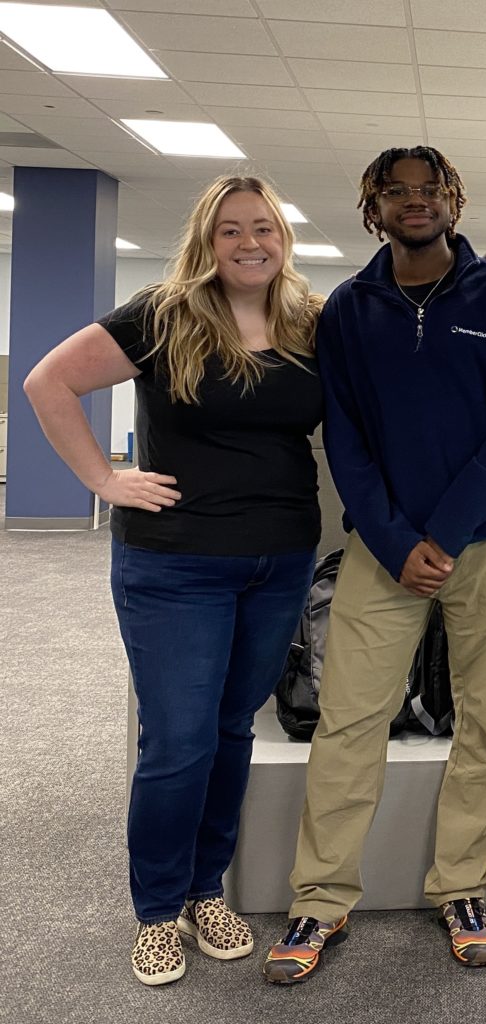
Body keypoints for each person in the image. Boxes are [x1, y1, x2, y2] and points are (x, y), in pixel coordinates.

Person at [261, 146, 486, 984]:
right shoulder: (349, 310)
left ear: (454, 202)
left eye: (430, 191)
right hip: (383, 547)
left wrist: (448, 532)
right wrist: (395, 540)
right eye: (399, 192)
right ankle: (320, 900)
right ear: (374, 206)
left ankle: (461, 888)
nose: (415, 203)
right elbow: (343, 438)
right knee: (349, 717)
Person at [22, 175, 324, 986]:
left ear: (281, 236)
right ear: (208, 237)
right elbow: (47, 382)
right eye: (231, 230)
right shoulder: (164, 313)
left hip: (279, 558)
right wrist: (104, 478)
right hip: (175, 562)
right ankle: (157, 911)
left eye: (263, 227)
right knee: (179, 741)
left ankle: (204, 891)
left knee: (230, 731)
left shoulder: (308, 320)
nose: (249, 242)